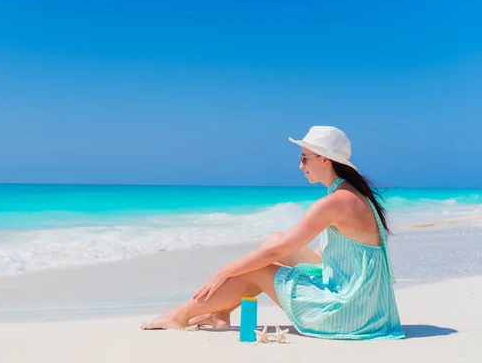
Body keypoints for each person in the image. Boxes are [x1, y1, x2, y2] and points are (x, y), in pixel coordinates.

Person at [141, 126, 405, 340]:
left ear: (324, 160)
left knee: (258, 267)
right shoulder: (352, 195)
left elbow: (276, 254)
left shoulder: (335, 202)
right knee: (276, 239)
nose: (301, 165)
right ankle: (220, 314)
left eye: (304, 158)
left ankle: (179, 315)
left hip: (351, 314)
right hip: (370, 307)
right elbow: (322, 254)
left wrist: (224, 272)